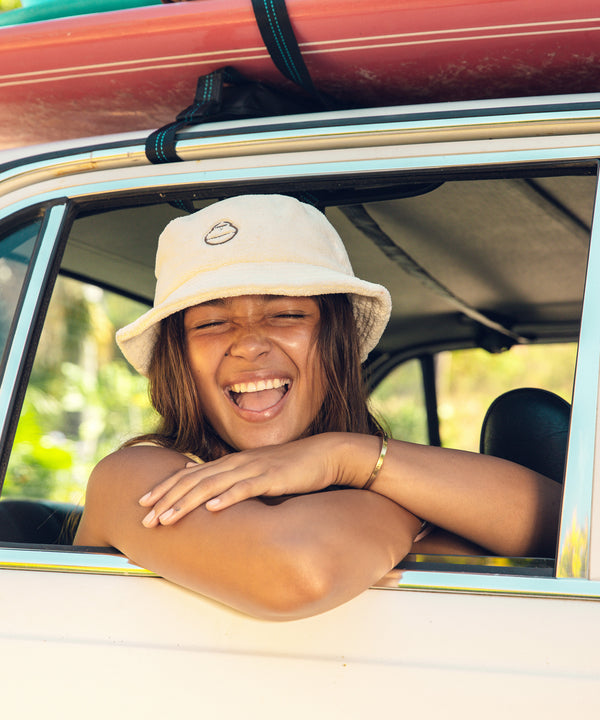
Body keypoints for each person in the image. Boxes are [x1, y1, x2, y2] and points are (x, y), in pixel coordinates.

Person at [73, 194, 561, 620]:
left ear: (337, 342)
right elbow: (297, 572)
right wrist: (392, 492)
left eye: (286, 313)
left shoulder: (367, 467)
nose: (249, 345)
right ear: (179, 358)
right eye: (211, 324)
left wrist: (346, 456)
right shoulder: (134, 476)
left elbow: (566, 530)